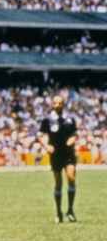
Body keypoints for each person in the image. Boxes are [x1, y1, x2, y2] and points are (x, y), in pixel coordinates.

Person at [38, 95, 78, 223]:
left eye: (60, 103)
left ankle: (70, 211)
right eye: (55, 103)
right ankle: (58, 212)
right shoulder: (47, 120)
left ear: (63, 105)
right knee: (58, 183)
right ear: (52, 105)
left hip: (68, 153)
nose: (57, 105)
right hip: (55, 155)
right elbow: (40, 134)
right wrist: (46, 145)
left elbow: (75, 133)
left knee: (71, 178)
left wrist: (73, 139)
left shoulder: (70, 120)